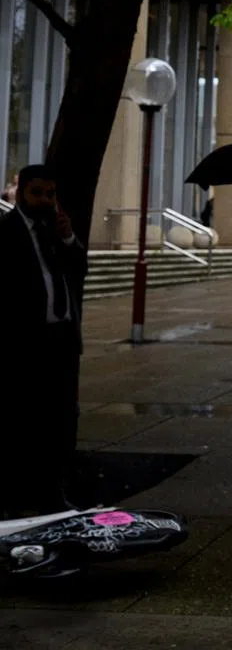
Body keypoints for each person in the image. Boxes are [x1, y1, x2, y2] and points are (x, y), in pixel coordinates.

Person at [0, 164, 87, 516]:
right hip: (25, 346)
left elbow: (79, 268)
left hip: (61, 342)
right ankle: (16, 498)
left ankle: (54, 493)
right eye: (38, 193)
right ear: (22, 194)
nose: (45, 200)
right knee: (23, 424)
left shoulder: (56, 229)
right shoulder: (6, 233)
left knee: (60, 423)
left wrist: (68, 238)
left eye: (51, 194)